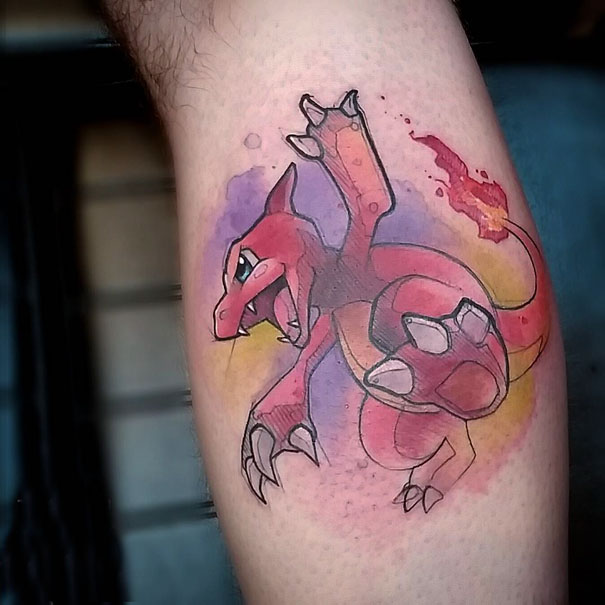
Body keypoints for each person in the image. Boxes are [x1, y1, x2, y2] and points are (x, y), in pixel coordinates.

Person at [103, 1, 568, 602]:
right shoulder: (329, 300)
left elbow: (369, 203)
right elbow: (321, 335)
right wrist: (288, 392)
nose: (237, 316)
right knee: (384, 435)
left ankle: (460, 363)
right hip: (405, 360)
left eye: (246, 271)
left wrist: (343, 136)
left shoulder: (351, 262)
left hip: (442, 325)